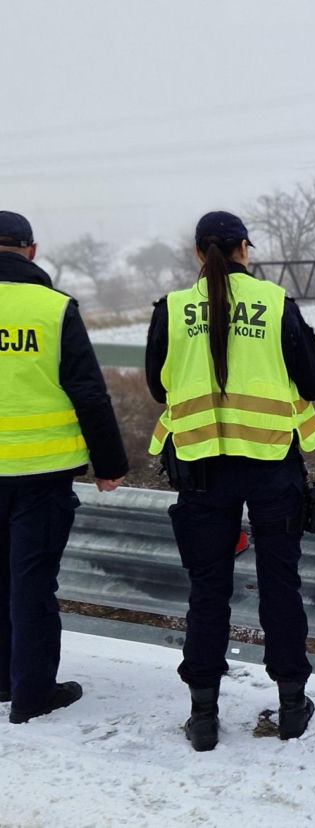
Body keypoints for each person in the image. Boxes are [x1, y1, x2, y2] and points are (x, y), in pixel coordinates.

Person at [145, 211, 315, 751]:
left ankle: (203, 717)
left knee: (208, 592)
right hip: (273, 466)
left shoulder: (173, 310)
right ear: (245, 248)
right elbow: (314, 381)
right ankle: (292, 705)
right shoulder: (276, 304)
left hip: (200, 468)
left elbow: (160, 388)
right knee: (279, 586)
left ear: (198, 254)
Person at [0, 210, 128, 724]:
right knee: (32, 583)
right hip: (42, 475)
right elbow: (90, 395)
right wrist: (109, 463)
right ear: (30, 251)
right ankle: (31, 695)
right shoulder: (54, 309)